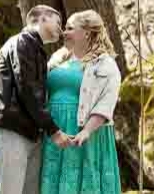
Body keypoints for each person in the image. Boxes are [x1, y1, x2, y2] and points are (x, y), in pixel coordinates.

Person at [0, 4, 73, 194]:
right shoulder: (22, 42)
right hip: (11, 129)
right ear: (42, 19)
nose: (61, 28)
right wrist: (53, 130)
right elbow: (27, 88)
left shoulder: (35, 49)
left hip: (29, 133)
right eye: (57, 22)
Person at [39, 10, 122, 193]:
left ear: (86, 32)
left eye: (69, 28)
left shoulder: (105, 64)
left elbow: (106, 102)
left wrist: (87, 131)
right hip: (54, 131)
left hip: (84, 133)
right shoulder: (57, 59)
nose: (63, 32)